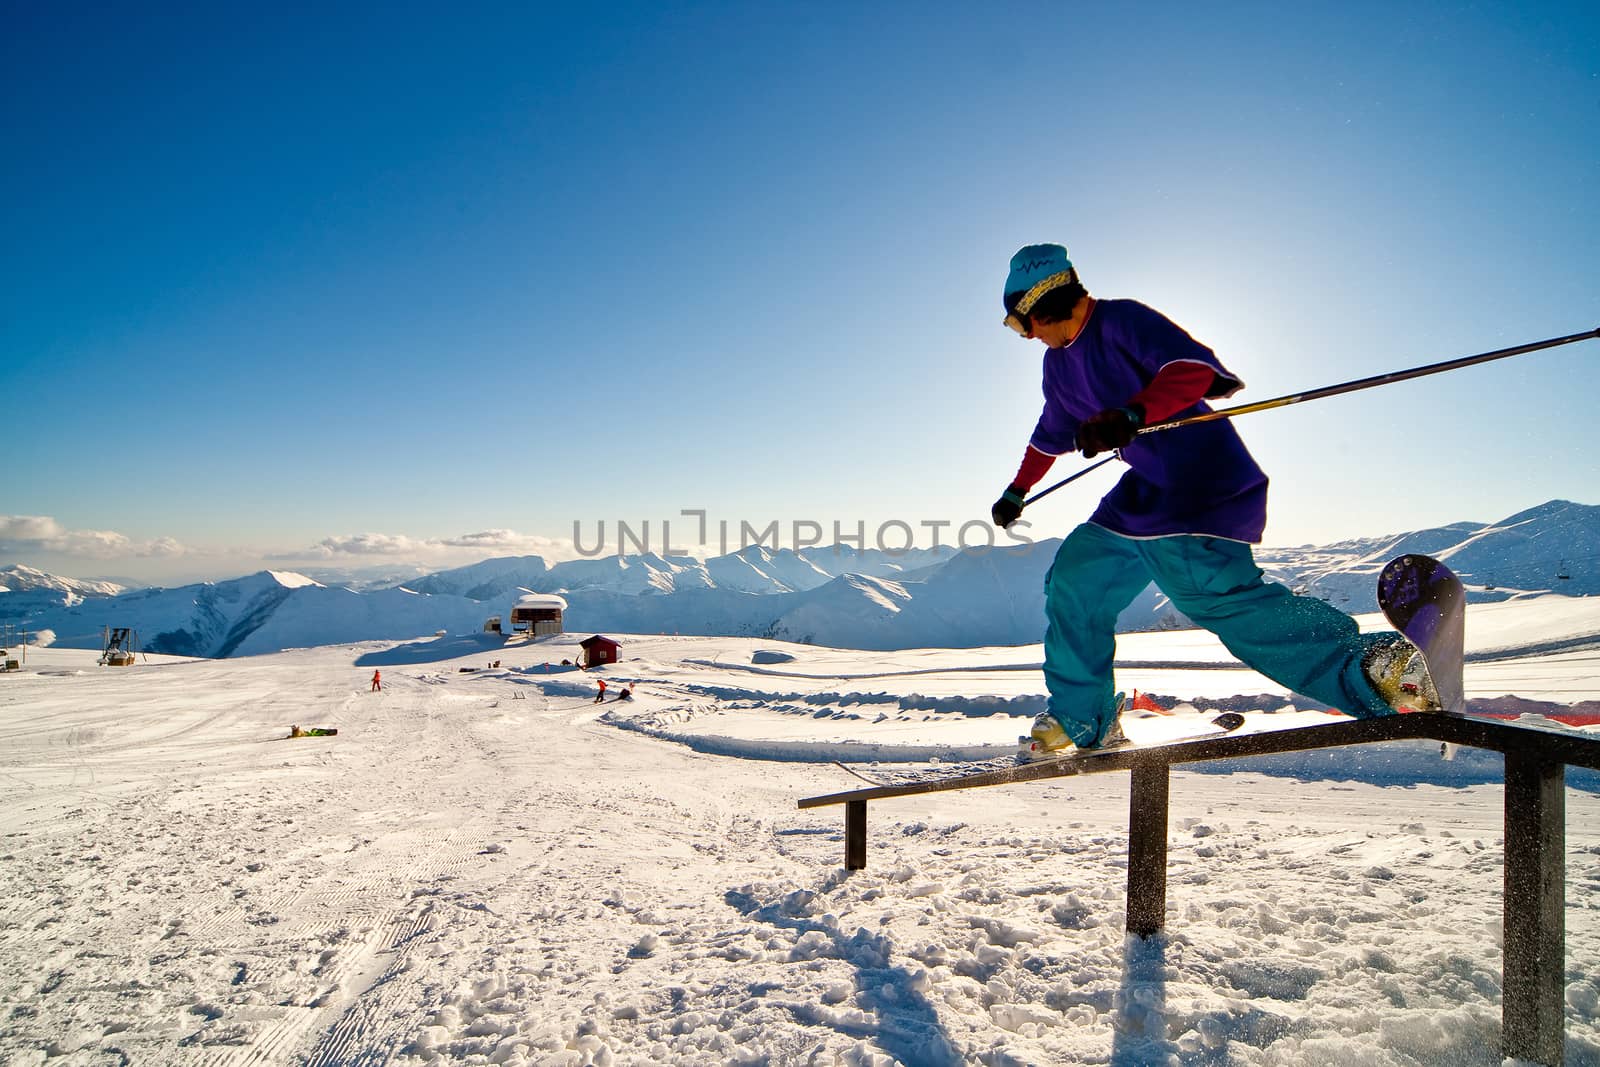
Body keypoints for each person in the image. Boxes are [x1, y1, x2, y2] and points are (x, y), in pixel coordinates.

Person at [990, 243, 1434, 756]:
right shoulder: (1057, 365)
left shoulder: (1122, 321)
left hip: (1201, 481)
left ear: (1046, 304)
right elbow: (1050, 432)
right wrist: (1016, 491)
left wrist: (1134, 413)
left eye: (1020, 323)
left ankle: (1373, 669)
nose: (1025, 336)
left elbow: (1189, 371)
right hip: (1144, 494)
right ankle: (1081, 717)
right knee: (1075, 579)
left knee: (1212, 597)